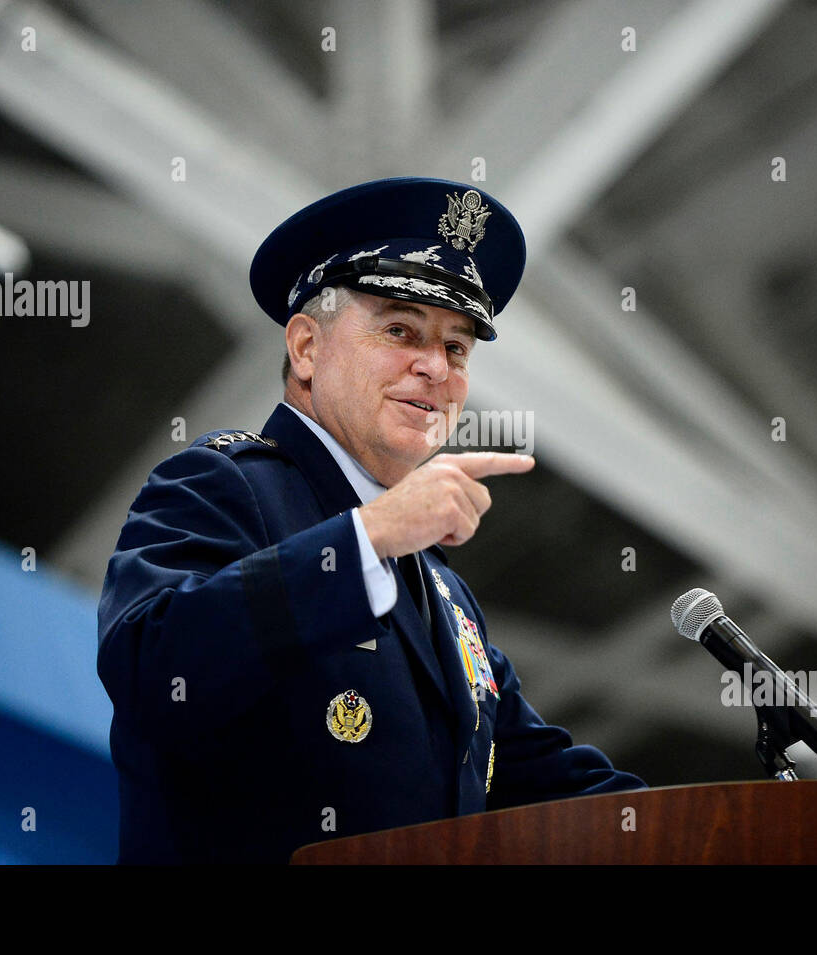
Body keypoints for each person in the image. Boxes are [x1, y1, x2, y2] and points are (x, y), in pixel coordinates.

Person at [96, 177, 645, 863]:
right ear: (305, 348)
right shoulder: (221, 484)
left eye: (457, 348)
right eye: (399, 329)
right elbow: (151, 668)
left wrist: (748, 827)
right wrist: (370, 536)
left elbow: (546, 781)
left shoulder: (444, 593)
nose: (435, 367)